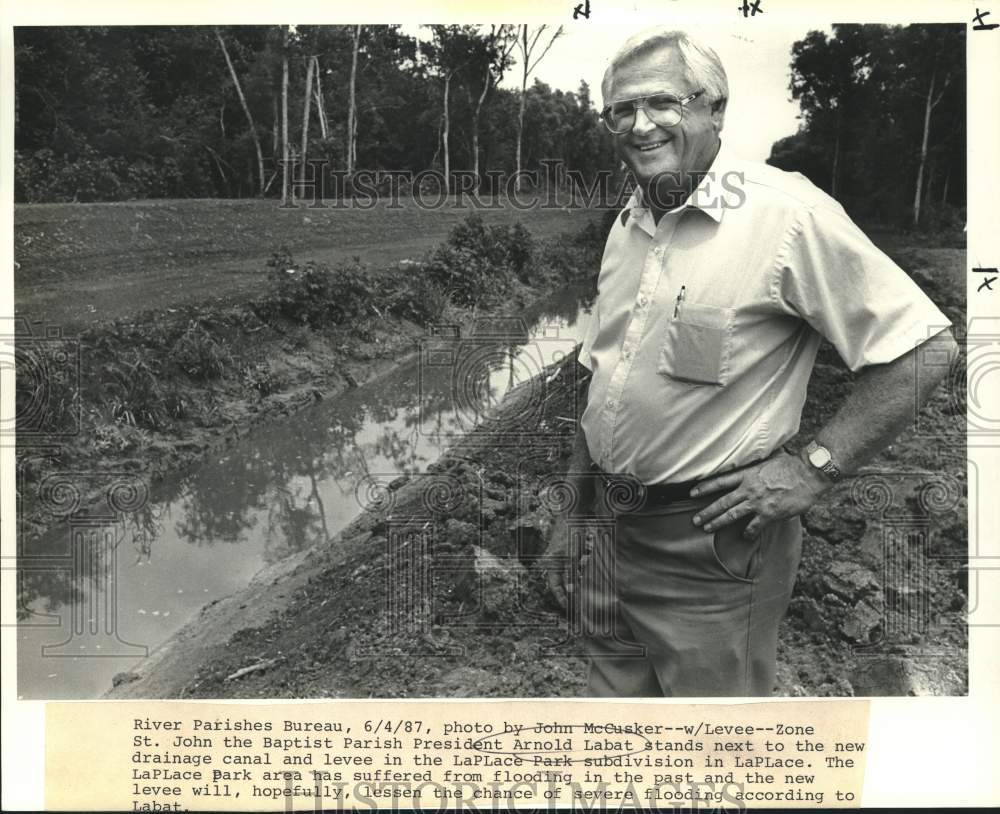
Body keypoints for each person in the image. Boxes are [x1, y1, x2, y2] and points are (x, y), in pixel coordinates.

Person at [544, 27, 959, 697]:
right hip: (609, 533)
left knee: (715, 752)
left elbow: (924, 347)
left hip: (714, 543)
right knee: (617, 730)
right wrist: (574, 512)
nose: (638, 124)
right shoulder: (629, 224)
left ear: (715, 109)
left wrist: (814, 467)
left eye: (660, 103)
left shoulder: (785, 216)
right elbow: (601, 379)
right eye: (620, 109)